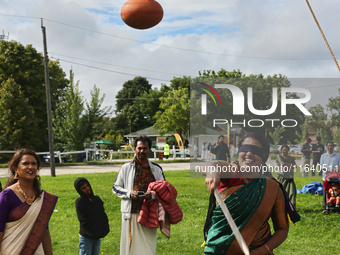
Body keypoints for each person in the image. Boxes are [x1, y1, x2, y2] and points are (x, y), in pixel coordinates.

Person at [204, 132, 289, 255]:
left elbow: (282, 229)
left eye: (255, 150)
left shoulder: (273, 188)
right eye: (245, 149)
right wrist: (212, 170)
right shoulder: (231, 172)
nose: (249, 153)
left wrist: (260, 251)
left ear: (264, 156)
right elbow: (211, 165)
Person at [112, 135, 165, 255]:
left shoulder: (156, 169)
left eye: (145, 148)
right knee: (130, 247)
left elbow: (163, 190)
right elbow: (115, 187)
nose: (142, 151)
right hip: (131, 213)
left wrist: (151, 195)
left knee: (148, 247)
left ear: (149, 150)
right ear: (135, 149)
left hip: (150, 214)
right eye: (139, 148)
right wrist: (129, 193)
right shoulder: (126, 167)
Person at [0, 149, 58, 255]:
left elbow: (44, 232)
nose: (30, 167)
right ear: (15, 168)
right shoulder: (7, 196)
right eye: (25, 163)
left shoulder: (42, 198)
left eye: (34, 164)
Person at [74, 177, 110, 255]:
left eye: (88, 186)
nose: (87, 189)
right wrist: (96, 230)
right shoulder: (80, 202)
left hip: (96, 236)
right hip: (86, 237)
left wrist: (103, 229)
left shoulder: (97, 199)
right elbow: (83, 220)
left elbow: (102, 216)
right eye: (83, 188)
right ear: (79, 190)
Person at [320, 141, 340, 214]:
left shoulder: (338, 156)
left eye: (331, 146)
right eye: (329, 145)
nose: (330, 147)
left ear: (333, 147)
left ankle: (336, 206)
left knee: (336, 192)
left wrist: (336, 169)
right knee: (326, 192)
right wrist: (328, 169)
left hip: (336, 177)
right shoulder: (323, 156)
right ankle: (325, 207)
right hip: (326, 177)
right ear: (326, 147)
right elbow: (321, 166)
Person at [276, 144, 297, 208]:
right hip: (282, 177)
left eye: (286, 150)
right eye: (283, 149)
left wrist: (287, 165)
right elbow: (282, 164)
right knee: (281, 193)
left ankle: (292, 208)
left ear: (288, 150)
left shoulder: (291, 158)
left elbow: (295, 166)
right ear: (281, 150)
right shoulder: (278, 156)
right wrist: (291, 165)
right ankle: (280, 207)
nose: (285, 151)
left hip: (290, 177)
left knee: (292, 193)